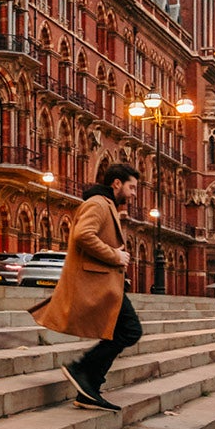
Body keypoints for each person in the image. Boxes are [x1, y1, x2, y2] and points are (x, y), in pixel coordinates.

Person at [30, 159, 143, 415]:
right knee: (130, 330)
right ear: (117, 184)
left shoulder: (106, 205)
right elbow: (83, 235)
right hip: (97, 283)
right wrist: (115, 256)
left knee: (121, 332)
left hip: (105, 283)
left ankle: (89, 387)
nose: (134, 193)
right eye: (132, 187)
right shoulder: (97, 204)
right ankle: (81, 370)